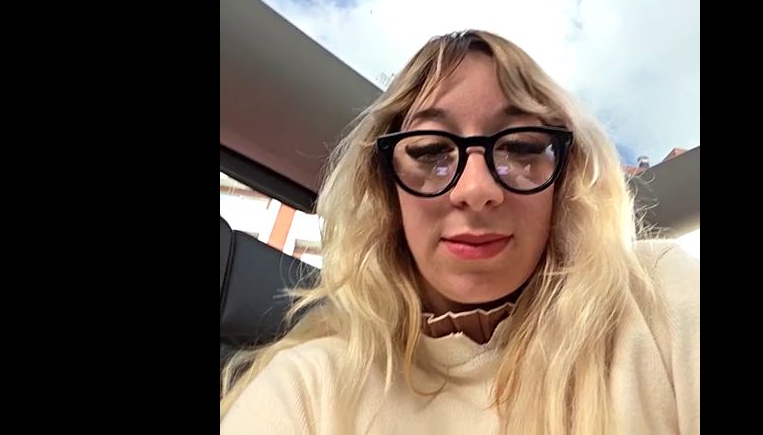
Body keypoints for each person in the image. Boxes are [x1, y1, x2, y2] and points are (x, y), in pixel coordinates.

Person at [220, 30, 699, 434]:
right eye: (430, 151)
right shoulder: (309, 388)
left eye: (521, 146)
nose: (475, 189)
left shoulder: (659, 299)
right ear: (387, 189)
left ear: (565, 178)